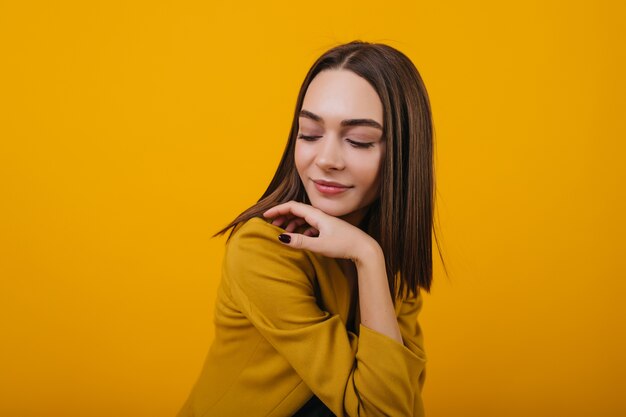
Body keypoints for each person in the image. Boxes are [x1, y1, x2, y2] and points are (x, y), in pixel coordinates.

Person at [176, 40, 438, 417]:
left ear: (402, 153)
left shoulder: (387, 262)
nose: (327, 159)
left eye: (358, 141)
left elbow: (400, 407)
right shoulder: (263, 249)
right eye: (310, 134)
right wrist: (369, 255)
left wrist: (368, 257)